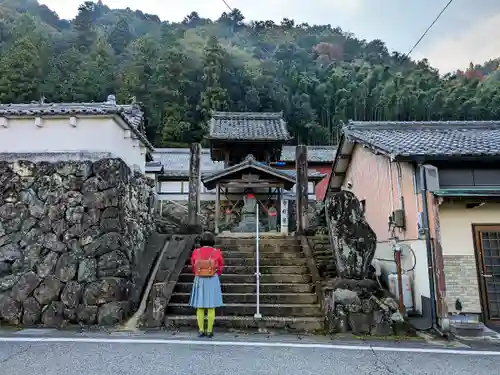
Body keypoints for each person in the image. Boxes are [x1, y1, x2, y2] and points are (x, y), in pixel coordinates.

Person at [189, 231, 224, 338]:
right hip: (212, 279)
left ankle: (201, 330)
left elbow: (193, 266)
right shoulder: (217, 252)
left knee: (200, 306)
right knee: (211, 306)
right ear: (212, 241)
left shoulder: (196, 252)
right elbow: (221, 266)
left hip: (199, 279)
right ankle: (209, 330)